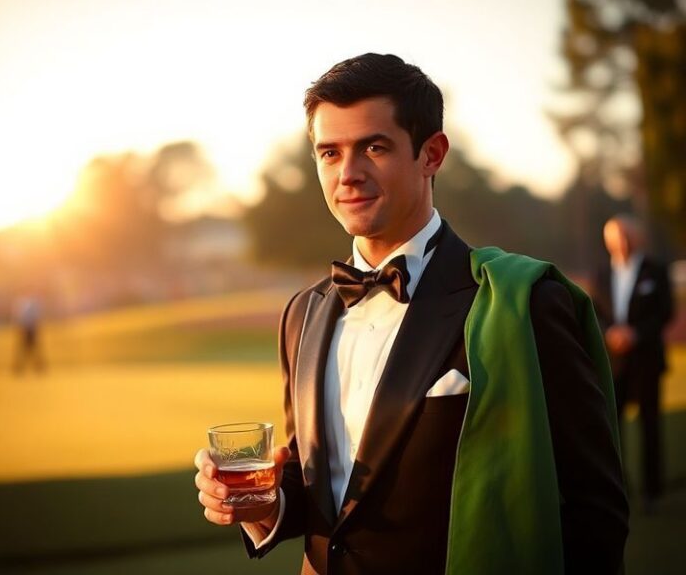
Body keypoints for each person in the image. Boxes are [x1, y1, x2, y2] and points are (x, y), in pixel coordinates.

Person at [195, 53, 628, 574]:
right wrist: (265, 506)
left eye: (374, 147)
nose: (348, 174)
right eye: (328, 153)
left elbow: (593, 509)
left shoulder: (523, 302)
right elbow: (319, 484)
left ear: (432, 154)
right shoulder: (302, 314)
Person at [593, 215, 673, 510]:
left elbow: (665, 311)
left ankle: (653, 492)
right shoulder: (601, 273)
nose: (621, 243)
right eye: (615, 237)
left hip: (648, 361)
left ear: (636, 238)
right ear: (607, 241)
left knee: (650, 427)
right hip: (614, 364)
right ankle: (620, 488)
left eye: (626, 236)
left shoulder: (657, 270)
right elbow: (596, 313)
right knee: (613, 429)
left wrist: (636, 334)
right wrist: (610, 334)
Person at [12, 293, 45, 374]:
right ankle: (20, 368)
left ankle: (38, 367)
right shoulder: (27, 303)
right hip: (27, 329)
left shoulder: (25, 303)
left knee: (33, 349)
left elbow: (22, 317)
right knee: (25, 350)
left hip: (30, 329)